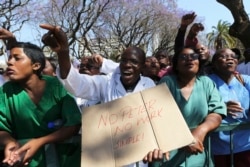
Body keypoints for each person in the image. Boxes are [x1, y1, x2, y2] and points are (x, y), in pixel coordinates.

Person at [40, 24, 169, 167]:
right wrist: (63, 52)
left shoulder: (149, 84)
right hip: (109, 160)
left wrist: (160, 144)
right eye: (124, 60)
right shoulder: (106, 83)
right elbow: (75, 83)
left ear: (142, 66)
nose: (127, 65)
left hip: (140, 160)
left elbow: (156, 123)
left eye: (133, 61)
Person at [0, 30, 81, 167]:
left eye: (17, 58)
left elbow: (73, 124)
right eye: (9, 59)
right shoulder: (6, 92)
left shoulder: (56, 87)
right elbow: (2, 128)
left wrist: (41, 141)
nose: (10, 63)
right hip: (26, 161)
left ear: (36, 65)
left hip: (65, 160)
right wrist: (9, 142)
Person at [150, 47, 227, 167]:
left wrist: (200, 131)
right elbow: (157, 117)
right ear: (175, 64)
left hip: (198, 152)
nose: (189, 59)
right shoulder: (167, 82)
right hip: (169, 154)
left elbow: (217, 112)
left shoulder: (206, 83)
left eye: (194, 56)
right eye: (183, 57)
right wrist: (184, 138)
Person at [209, 48, 250, 167]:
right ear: (215, 63)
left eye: (233, 56)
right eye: (223, 56)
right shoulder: (207, 82)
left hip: (245, 145)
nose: (230, 58)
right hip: (219, 148)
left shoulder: (245, 80)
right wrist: (221, 109)